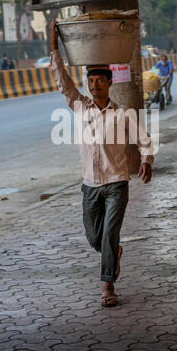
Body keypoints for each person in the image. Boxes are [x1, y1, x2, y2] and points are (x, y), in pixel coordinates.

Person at [50, 21, 154, 308]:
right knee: (95, 238)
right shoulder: (80, 106)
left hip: (117, 184)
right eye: (90, 81)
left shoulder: (123, 113)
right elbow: (62, 81)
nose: (94, 85)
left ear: (109, 83)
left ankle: (107, 284)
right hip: (90, 186)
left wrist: (147, 160)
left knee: (109, 233)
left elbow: (144, 139)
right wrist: (53, 46)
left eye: (100, 80)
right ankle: (113, 253)